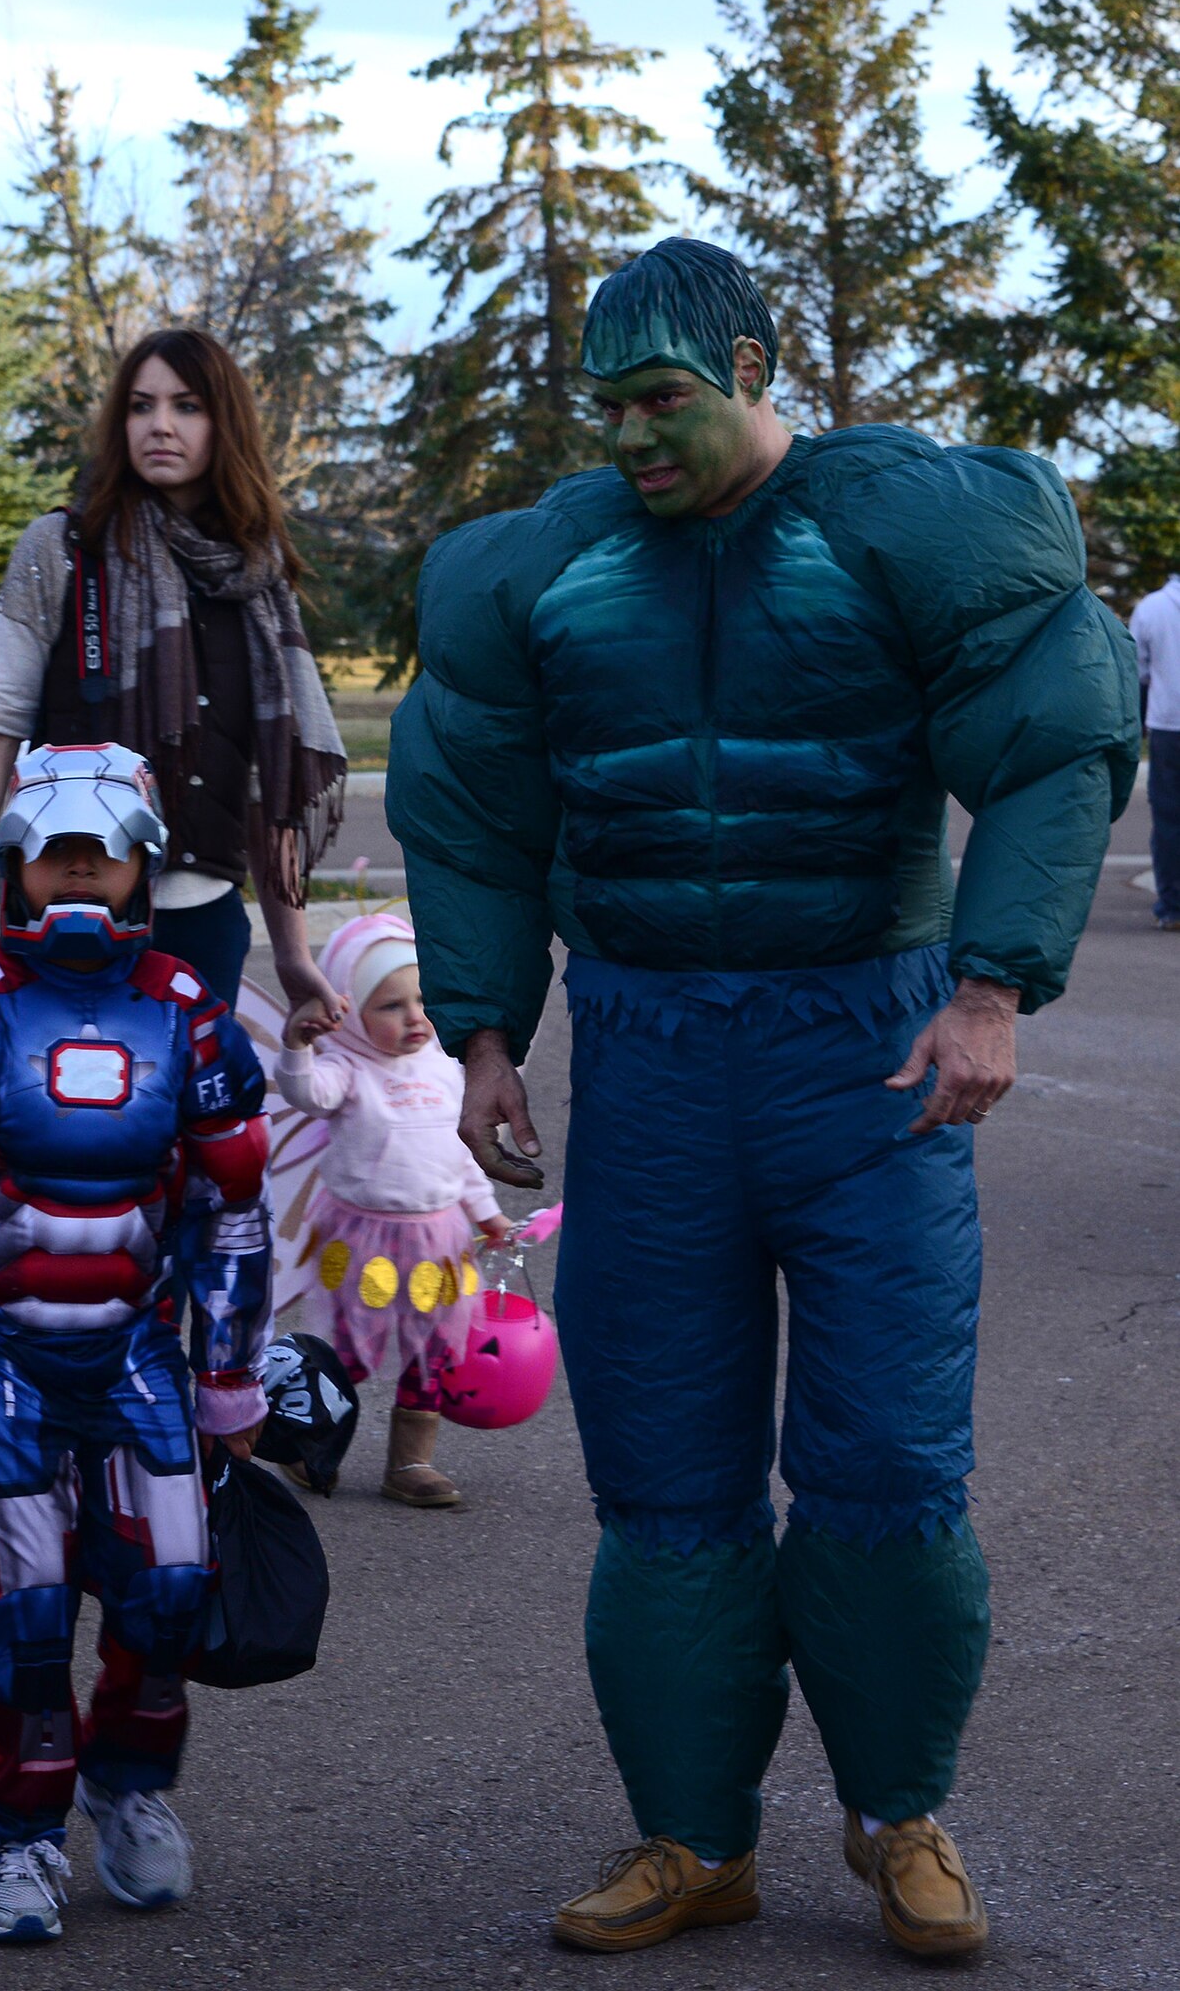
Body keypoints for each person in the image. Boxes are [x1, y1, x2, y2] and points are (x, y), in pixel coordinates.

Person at [386, 239, 1140, 1958]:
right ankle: (692, 1838)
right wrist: (485, 1034)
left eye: (662, 401)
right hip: (645, 1056)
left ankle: (898, 1818)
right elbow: (471, 804)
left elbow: (1051, 739)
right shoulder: (545, 568)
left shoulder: (905, 526)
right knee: (661, 1473)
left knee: (884, 1459)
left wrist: (989, 988)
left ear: (747, 368)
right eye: (608, 409)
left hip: (864, 1056)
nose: (633, 439)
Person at [0, 743, 273, 1943]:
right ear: (15, 862)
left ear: (146, 863)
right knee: (27, 1601)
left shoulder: (188, 1012)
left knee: (173, 1583)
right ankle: (17, 1833)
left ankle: (127, 1781)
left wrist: (232, 1372)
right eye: (55, 849)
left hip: (137, 1349)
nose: (79, 868)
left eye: (103, 848)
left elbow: (234, 1202)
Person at [0, 327, 347, 1019]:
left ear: (226, 424)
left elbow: (267, 786)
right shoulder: (60, 546)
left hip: (202, 920)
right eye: (141, 406)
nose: (160, 425)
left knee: (189, 1091)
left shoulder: (257, 576)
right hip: (67, 913)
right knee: (53, 1089)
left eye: (187, 406)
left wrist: (293, 957)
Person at [273, 913, 511, 1506]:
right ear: (349, 1013)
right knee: (349, 1353)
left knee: (432, 1351)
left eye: (422, 1000)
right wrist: (298, 1046)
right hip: (361, 1242)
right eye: (390, 1006)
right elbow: (306, 1093)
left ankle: (410, 1463)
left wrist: (487, 1212)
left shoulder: (444, 1068)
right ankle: (309, 1442)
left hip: (439, 1241)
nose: (415, 1017)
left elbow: (461, 1156)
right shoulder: (345, 1067)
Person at [1128, 572, 1180, 929]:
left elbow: (1137, 670)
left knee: (1168, 819)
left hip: (1167, 724)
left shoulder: (1151, 607)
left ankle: (1173, 907)